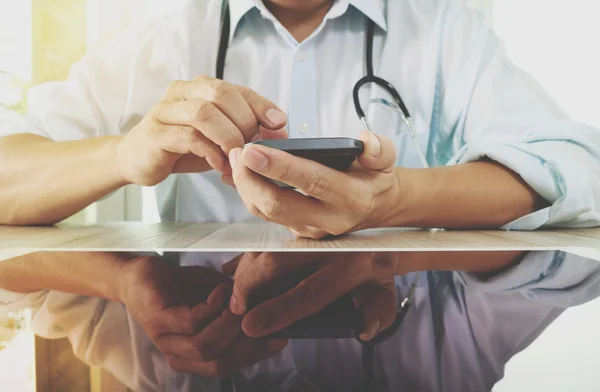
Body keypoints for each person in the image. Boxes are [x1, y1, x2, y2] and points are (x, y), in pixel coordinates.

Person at [1, 0, 600, 390]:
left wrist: (396, 200)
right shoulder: (163, 41)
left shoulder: (443, 28)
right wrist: (122, 157)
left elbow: (579, 171)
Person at [1, 250, 600, 392]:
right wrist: (391, 247)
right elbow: (583, 257)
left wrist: (123, 277)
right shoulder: (454, 336)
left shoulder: (154, 335)